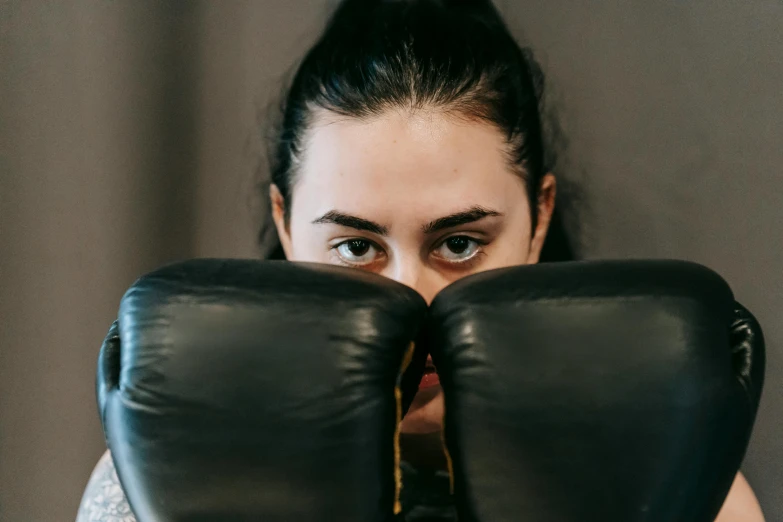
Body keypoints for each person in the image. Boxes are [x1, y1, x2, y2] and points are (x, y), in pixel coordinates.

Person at [76, 1, 765, 521]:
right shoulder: (149, 479)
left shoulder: (686, 485)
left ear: (538, 220)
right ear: (286, 229)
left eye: (459, 244)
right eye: (355, 247)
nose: (410, 296)